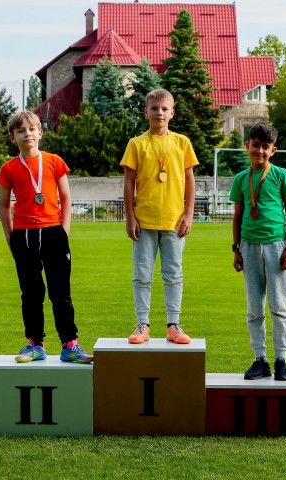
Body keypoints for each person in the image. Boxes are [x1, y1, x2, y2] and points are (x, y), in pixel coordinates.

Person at [0, 111, 92, 364]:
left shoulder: (54, 162)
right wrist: (11, 237)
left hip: (53, 232)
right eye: (20, 131)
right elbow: (4, 205)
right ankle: (34, 345)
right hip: (24, 236)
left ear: (40, 132)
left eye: (31, 129)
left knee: (60, 292)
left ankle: (70, 345)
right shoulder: (9, 168)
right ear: (12, 137)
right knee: (31, 293)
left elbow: (66, 197)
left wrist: (64, 230)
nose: (27, 134)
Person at [121, 89, 199, 345]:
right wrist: (130, 217)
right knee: (142, 274)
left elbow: (189, 179)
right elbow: (128, 182)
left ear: (172, 113)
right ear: (146, 112)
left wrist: (189, 214)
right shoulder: (137, 144)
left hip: (174, 222)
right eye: (154, 108)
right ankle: (142, 324)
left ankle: (173, 325)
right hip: (144, 221)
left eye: (165, 109)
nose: (159, 113)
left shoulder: (182, 142)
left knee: (173, 274)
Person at [229, 124, 286, 381]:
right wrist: (236, 250)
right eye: (255, 145)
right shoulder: (240, 179)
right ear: (248, 146)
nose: (260, 150)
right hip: (248, 247)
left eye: (265, 147)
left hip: (276, 247)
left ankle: (282, 359)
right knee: (254, 307)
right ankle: (260, 359)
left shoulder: (281, 176)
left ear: (273, 150)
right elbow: (237, 217)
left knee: (279, 306)